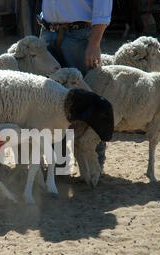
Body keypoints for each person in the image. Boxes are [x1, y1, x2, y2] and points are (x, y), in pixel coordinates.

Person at [38, 0, 113, 170]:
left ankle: (93, 164)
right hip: (48, 33)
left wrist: (95, 42)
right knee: (52, 103)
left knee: (87, 99)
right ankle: (59, 164)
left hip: (79, 37)